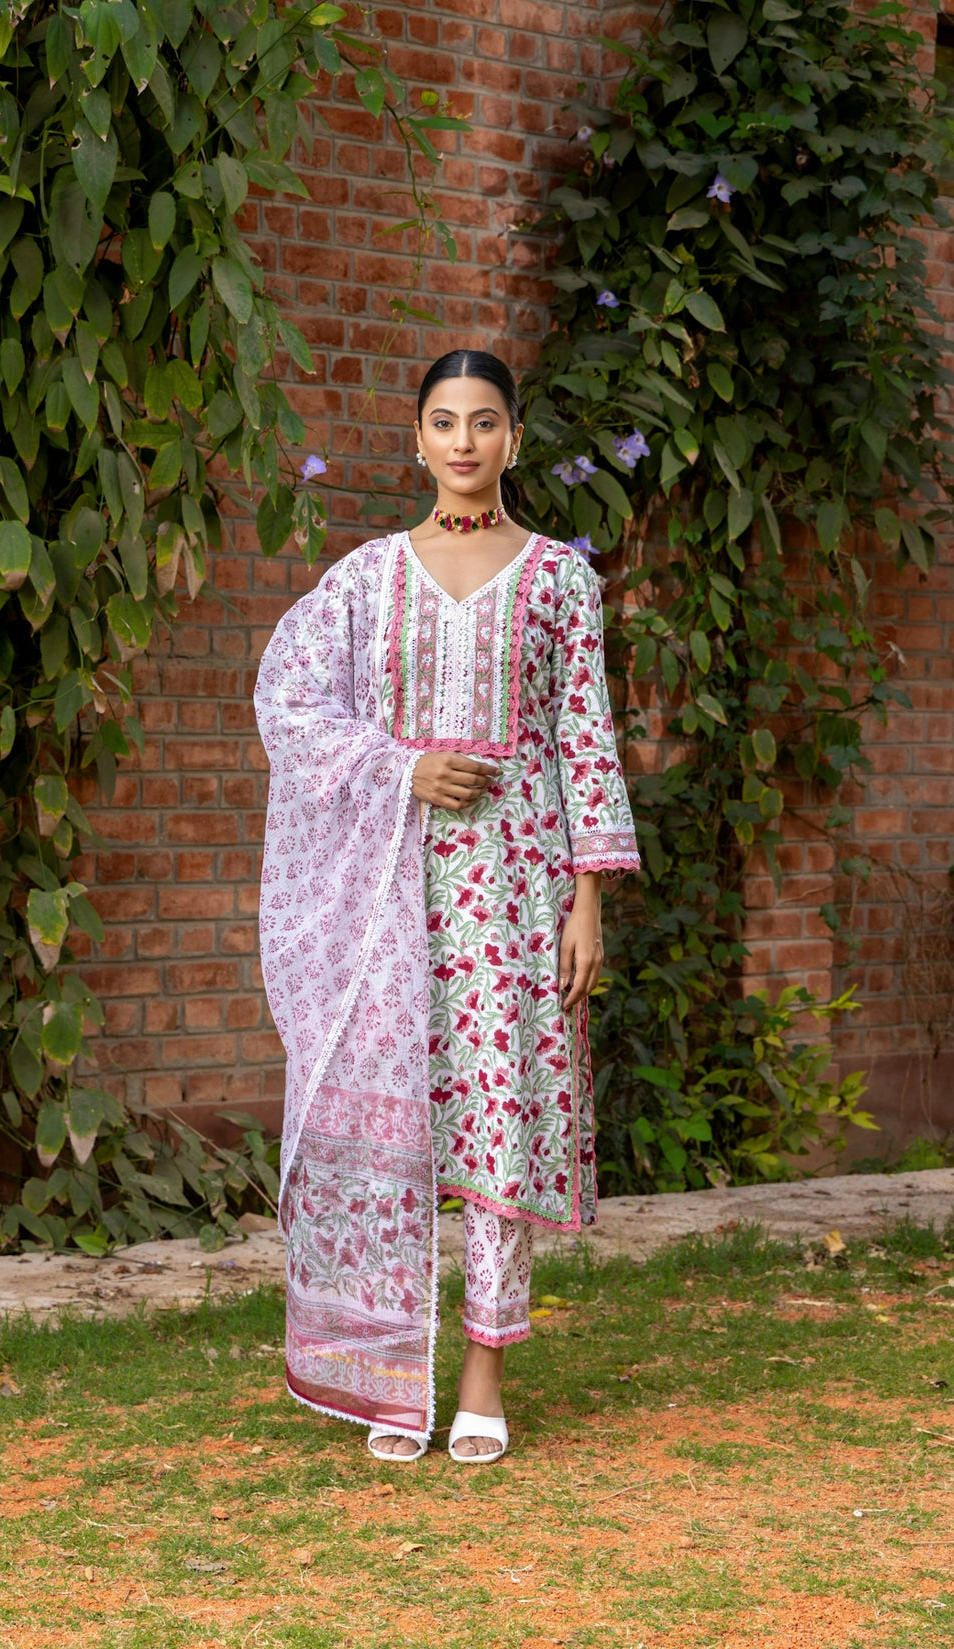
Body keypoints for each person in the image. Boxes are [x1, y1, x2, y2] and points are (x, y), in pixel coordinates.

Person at [254, 349, 639, 1465]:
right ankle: (387, 1372)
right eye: (442, 421)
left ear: (511, 440)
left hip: (516, 892)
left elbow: (584, 742)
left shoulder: (561, 579)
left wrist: (587, 903)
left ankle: (482, 1370)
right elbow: (288, 700)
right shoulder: (368, 578)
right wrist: (398, 765)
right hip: (392, 886)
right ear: (415, 439)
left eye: (483, 422)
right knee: (393, 1121)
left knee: (497, 1121)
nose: (463, 441)